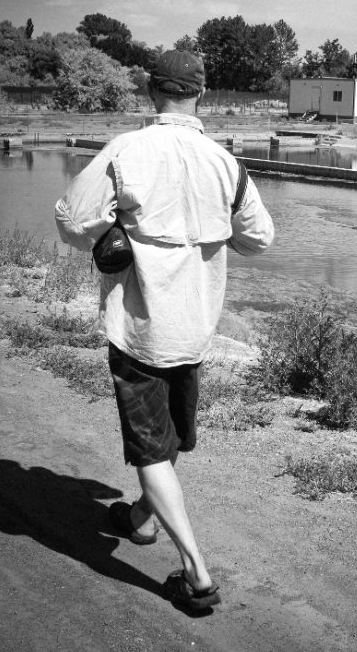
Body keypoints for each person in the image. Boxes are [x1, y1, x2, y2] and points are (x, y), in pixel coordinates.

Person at [55, 50, 274, 611]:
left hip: (140, 329)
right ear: (202, 94)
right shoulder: (226, 163)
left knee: (152, 449)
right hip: (197, 327)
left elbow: (72, 222)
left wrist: (115, 229)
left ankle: (197, 575)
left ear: (151, 92)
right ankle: (140, 519)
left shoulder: (126, 150)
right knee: (166, 439)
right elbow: (259, 238)